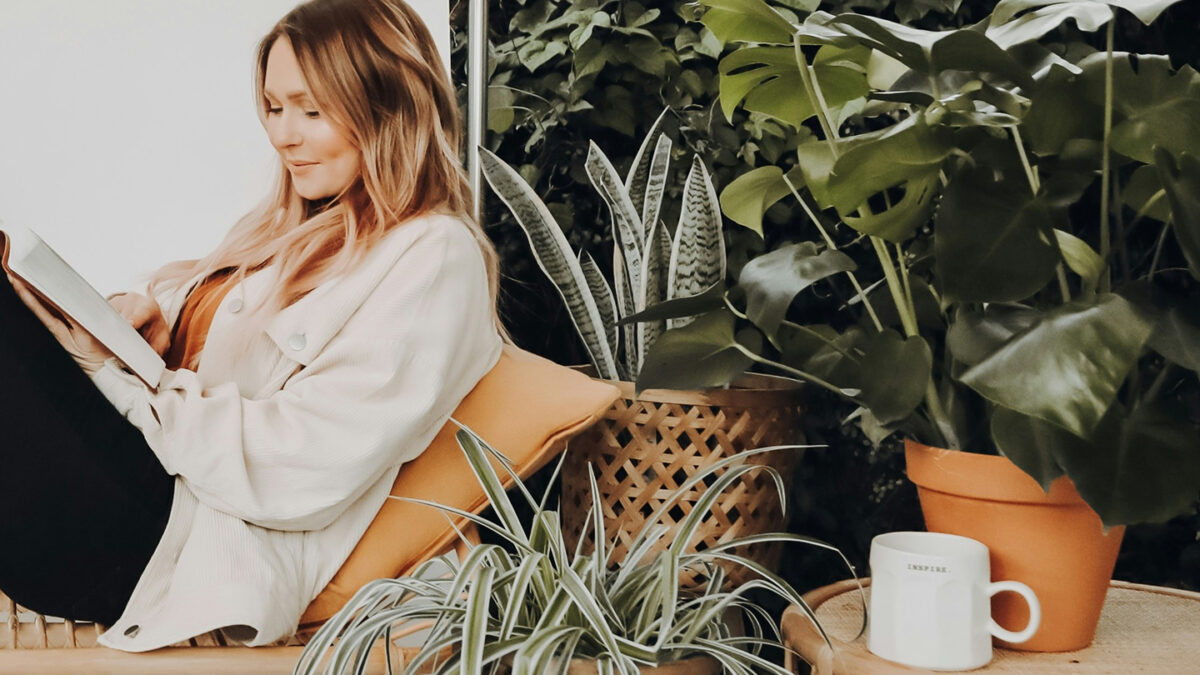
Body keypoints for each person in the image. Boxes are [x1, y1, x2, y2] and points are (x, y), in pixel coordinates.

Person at [0, 0, 503, 652]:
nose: (284, 135)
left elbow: (301, 464)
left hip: (171, 542)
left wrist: (130, 388)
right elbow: (205, 330)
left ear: (390, 106)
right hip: (135, 490)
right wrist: (146, 318)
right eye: (273, 107)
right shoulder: (288, 227)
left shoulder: (433, 257)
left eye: (311, 111)